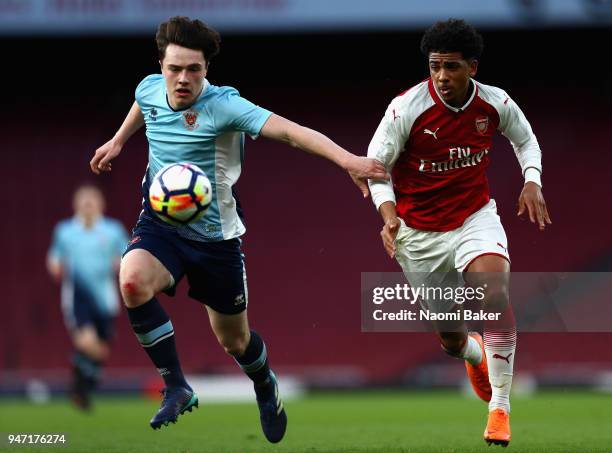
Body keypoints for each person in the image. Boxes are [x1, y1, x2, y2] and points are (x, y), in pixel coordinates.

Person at [89, 16, 387, 442]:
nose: (183, 78)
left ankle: (265, 384)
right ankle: (175, 385)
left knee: (235, 341)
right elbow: (143, 104)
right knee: (132, 282)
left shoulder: (225, 105)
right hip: (161, 225)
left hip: (216, 240)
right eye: (174, 69)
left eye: (194, 69)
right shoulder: (148, 87)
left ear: (207, 69)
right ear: (161, 66)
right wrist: (119, 140)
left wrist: (348, 161)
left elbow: (291, 132)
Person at [367, 19, 551, 447]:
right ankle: (473, 353)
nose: (442, 77)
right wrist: (388, 212)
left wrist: (532, 179)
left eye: (451, 67)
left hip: (474, 217)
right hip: (419, 235)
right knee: (451, 339)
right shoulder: (405, 108)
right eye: (435, 67)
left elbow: (526, 141)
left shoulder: (495, 103)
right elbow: (376, 169)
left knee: (493, 291)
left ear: (472, 66)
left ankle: (500, 407)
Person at [47, 185, 128, 410]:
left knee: (101, 350)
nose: (88, 204)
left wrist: (121, 264)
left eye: (92, 200)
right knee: (87, 342)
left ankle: (81, 386)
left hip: (105, 296)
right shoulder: (65, 231)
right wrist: (55, 266)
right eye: (84, 201)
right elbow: (55, 256)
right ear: (76, 205)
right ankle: (82, 380)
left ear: (101, 204)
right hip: (78, 295)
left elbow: (127, 255)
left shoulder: (113, 230)